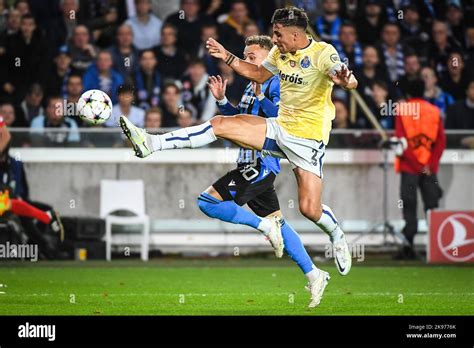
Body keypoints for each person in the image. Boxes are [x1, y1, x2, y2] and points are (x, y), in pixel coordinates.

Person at [120, 7, 355, 308]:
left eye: (278, 34)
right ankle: (151, 143)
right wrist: (226, 58)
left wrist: (346, 80)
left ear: (296, 33)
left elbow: (346, 80)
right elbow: (254, 74)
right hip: (279, 130)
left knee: (309, 209)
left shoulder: (322, 53)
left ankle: (334, 233)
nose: (275, 39)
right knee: (219, 126)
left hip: (307, 141)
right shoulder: (277, 59)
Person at [200, 35, 322, 291]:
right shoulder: (250, 86)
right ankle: (314, 274)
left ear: (269, 57)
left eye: (252, 57)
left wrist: (260, 97)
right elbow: (239, 124)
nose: (246, 62)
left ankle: (263, 226)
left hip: (260, 164)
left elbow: (282, 120)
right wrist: (222, 101)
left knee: (208, 202)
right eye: (245, 57)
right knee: (279, 223)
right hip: (249, 162)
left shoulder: (278, 83)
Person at [392, 79, 445, 260]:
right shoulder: (435, 111)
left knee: (409, 207)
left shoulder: (402, 111)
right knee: (432, 206)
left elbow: (402, 142)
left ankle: (408, 248)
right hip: (429, 169)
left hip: (410, 168)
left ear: (407, 94)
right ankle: (437, 248)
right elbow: (440, 143)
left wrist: (417, 166)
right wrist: (430, 165)